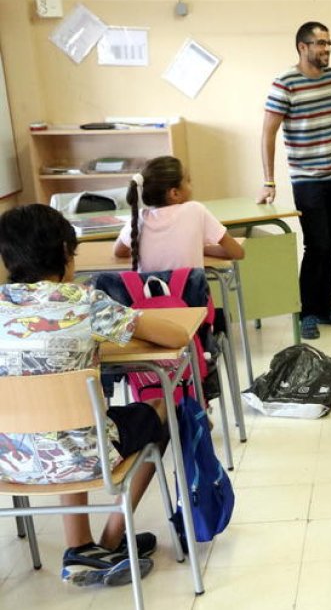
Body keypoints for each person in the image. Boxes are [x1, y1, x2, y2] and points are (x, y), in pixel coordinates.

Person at [0, 204, 192, 587]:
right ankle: (111, 541)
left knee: (62, 421)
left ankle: (81, 547)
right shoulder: (86, 303)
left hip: (9, 461)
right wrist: (130, 327)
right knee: (162, 407)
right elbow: (177, 337)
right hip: (84, 457)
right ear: (65, 254)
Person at [260, 20, 331, 340]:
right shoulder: (285, 82)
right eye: (321, 44)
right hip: (307, 179)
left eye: (329, 43)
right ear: (303, 47)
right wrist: (269, 181)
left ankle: (325, 306)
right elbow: (268, 133)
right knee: (317, 245)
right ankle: (306, 312)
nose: (326, 49)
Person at [114, 156, 245, 271]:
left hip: (150, 297)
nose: (191, 185)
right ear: (175, 193)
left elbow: (119, 252)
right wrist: (201, 249)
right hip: (190, 298)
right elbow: (237, 253)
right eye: (188, 181)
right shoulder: (195, 210)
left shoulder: (139, 218)